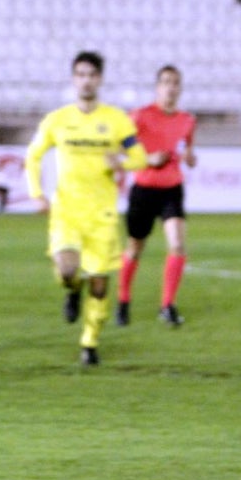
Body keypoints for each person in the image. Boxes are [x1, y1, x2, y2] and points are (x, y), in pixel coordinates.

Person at [25, 51, 165, 366]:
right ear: (74, 79)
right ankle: (72, 290)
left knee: (100, 283)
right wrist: (36, 193)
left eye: (91, 75)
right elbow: (33, 156)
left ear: (99, 79)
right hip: (66, 211)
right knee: (67, 270)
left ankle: (89, 343)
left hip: (102, 215)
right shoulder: (57, 120)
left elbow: (141, 158)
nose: (86, 80)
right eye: (80, 74)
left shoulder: (116, 120)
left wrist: (122, 161)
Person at [117, 65, 197, 327]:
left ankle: (167, 305)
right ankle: (123, 299)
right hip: (144, 189)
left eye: (175, 82)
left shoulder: (187, 120)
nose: (170, 87)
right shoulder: (139, 116)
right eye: (165, 82)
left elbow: (186, 148)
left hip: (172, 189)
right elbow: (120, 148)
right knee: (134, 248)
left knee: (177, 244)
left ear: (180, 88)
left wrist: (189, 158)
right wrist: (147, 159)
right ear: (157, 87)